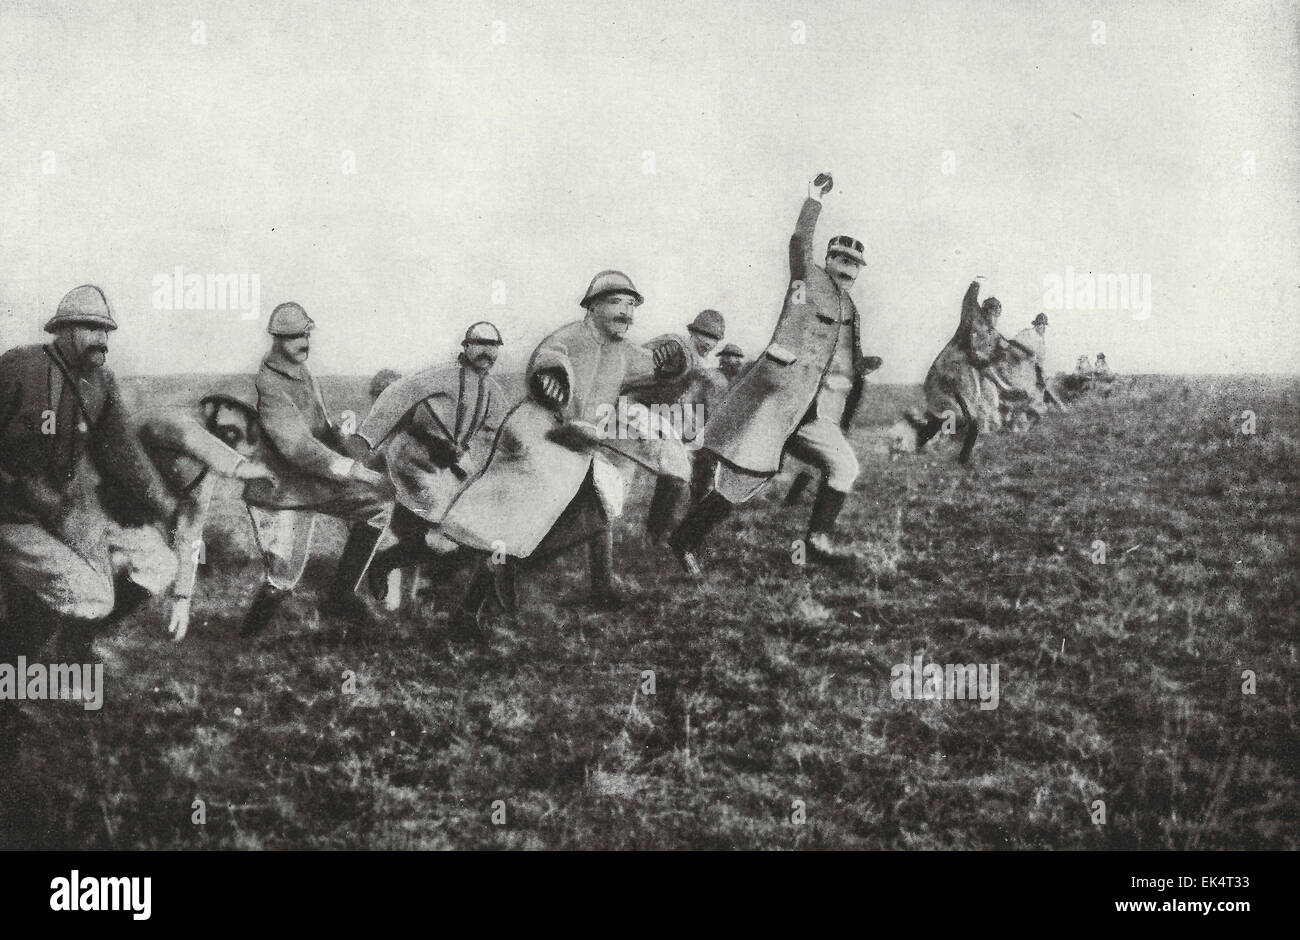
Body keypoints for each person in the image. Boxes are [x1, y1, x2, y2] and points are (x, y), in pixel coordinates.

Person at [438, 270, 695, 639]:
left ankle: (506, 570)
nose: (626, 313)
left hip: (575, 446)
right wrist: (551, 379)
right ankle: (467, 607)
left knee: (593, 510)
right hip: (538, 436)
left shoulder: (624, 352)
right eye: (616, 303)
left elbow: (661, 368)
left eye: (630, 306)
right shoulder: (570, 337)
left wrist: (676, 360)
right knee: (508, 527)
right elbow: (549, 358)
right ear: (592, 307)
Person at [669, 172, 877, 573]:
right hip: (775, 401)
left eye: (854, 263)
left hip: (809, 411)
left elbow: (850, 358)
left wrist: (858, 373)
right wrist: (813, 198)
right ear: (828, 260)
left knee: (845, 466)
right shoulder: (808, 278)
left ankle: (816, 539)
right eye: (841, 259)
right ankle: (684, 539)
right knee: (744, 483)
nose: (847, 268)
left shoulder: (850, 309)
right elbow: (800, 241)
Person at [0, 285, 177, 659]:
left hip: (66, 513)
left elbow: (125, 454)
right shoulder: (19, 369)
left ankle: (74, 642)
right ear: (63, 330)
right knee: (92, 596)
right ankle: (18, 663)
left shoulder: (100, 383)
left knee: (160, 564)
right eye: (91, 329)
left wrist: (164, 506)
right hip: (13, 516)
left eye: (106, 331)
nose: (102, 339)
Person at [238, 301, 392, 637]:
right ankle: (242, 641)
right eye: (295, 337)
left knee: (376, 508)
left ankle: (340, 595)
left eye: (306, 334)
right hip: (279, 493)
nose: (304, 342)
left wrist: (337, 427)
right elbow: (298, 448)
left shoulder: (303, 372)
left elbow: (315, 431)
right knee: (283, 578)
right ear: (277, 340)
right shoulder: (269, 385)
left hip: (313, 485)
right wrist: (358, 471)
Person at [358, 322, 506, 611]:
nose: (486, 351)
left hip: (448, 467)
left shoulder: (492, 391)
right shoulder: (441, 376)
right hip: (414, 458)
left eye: (493, 346)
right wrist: (366, 439)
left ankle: (413, 575)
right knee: (446, 530)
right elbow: (398, 395)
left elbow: (501, 431)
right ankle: (387, 566)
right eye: (480, 344)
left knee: (467, 533)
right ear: (465, 347)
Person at [131, 377, 278, 641]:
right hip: (86, 499)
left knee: (158, 567)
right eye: (240, 413)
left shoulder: (206, 469)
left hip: (126, 521)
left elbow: (190, 529)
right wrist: (240, 467)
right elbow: (184, 433)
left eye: (253, 425)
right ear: (217, 406)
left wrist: (182, 599)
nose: (243, 430)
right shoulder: (178, 420)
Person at [904, 280, 1020, 463]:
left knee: (963, 420)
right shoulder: (972, 322)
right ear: (985, 311)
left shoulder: (993, 334)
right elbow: (969, 302)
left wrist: (1010, 355)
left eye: (998, 314)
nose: (995, 317)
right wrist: (976, 283)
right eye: (992, 313)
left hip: (961, 380)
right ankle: (949, 452)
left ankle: (929, 441)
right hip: (945, 376)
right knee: (963, 419)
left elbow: (1006, 349)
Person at [640, 308, 728, 542]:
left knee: (674, 477)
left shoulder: (701, 365)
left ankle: (655, 533)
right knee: (675, 477)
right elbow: (641, 360)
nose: (709, 343)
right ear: (693, 332)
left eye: (715, 339)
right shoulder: (677, 346)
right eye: (705, 336)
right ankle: (657, 533)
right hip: (643, 413)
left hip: (670, 422)